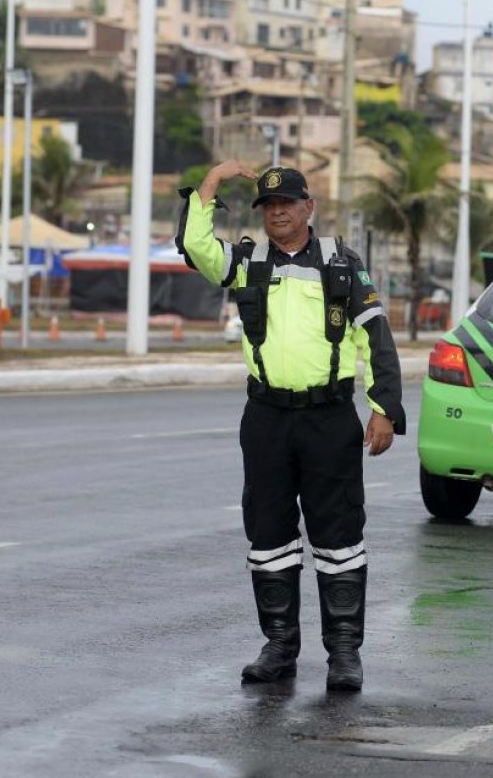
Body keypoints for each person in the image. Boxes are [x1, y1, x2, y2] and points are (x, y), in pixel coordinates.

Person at [177, 161, 406, 691]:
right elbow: (196, 249)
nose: (277, 212)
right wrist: (212, 181)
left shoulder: (341, 265)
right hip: (266, 420)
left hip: (329, 420)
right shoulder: (245, 262)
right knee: (269, 534)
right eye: (268, 206)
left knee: (339, 536)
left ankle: (344, 654)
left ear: (309, 208)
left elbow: (377, 340)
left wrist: (383, 409)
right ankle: (279, 646)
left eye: (287, 203)